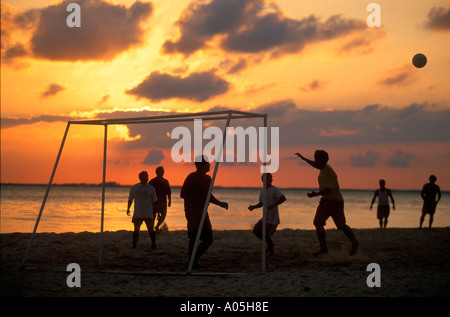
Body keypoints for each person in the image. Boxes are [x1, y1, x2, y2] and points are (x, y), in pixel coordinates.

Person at [295, 150, 359, 256]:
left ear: (321, 160)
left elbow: (328, 189)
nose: (315, 161)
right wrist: (304, 159)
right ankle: (354, 240)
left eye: (317, 159)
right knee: (341, 225)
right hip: (338, 200)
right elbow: (316, 165)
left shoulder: (325, 172)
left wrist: (315, 194)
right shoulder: (327, 168)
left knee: (318, 223)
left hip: (328, 201)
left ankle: (324, 248)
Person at [180, 156, 228, 268]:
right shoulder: (205, 178)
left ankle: (192, 261)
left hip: (190, 211)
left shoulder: (190, 176)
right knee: (208, 239)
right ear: (202, 165)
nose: (209, 165)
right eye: (207, 163)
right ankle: (193, 260)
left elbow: (183, 194)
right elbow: (207, 196)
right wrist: (220, 203)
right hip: (198, 212)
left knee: (194, 237)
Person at [248, 173, 286, 255]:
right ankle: (270, 244)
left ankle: (271, 249)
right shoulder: (262, 190)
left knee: (266, 234)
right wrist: (253, 207)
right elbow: (261, 203)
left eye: (271, 178)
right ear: (263, 180)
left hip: (273, 218)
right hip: (265, 216)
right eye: (268, 178)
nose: (270, 180)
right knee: (256, 230)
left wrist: (273, 205)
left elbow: (283, 199)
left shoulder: (275, 189)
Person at [126, 171, 158, 249]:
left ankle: (153, 245)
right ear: (140, 178)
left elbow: (155, 201)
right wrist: (128, 209)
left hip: (148, 213)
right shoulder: (135, 187)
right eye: (144, 176)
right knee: (136, 230)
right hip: (138, 213)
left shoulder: (151, 188)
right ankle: (134, 245)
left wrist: (157, 212)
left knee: (151, 229)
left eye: (147, 176)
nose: (146, 178)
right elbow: (130, 199)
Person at [149, 166, 172, 232]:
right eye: (161, 171)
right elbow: (148, 192)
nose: (162, 172)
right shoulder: (152, 181)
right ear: (157, 172)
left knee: (163, 215)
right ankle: (152, 228)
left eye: (163, 171)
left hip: (163, 202)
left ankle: (157, 226)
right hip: (154, 202)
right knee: (153, 217)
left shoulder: (165, 181)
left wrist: (169, 201)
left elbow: (168, 193)